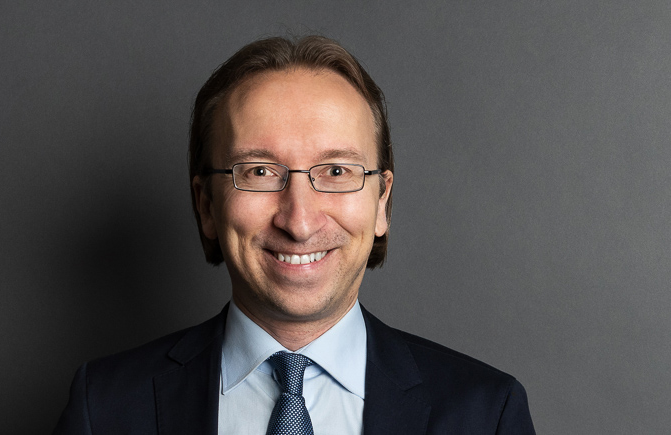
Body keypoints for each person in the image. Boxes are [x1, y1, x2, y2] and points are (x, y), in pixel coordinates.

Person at [53, 35, 536, 434]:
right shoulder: (105, 408)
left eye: (336, 171)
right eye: (260, 172)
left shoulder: (485, 414)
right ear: (206, 205)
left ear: (381, 202)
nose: (299, 221)